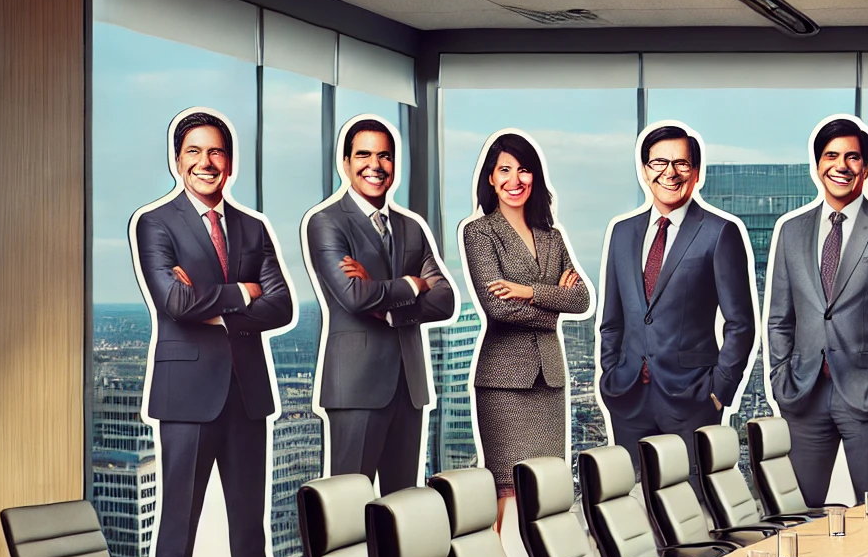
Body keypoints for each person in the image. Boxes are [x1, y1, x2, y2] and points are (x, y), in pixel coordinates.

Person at [133, 109, 304, 557]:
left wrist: (219, 299)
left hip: (246, 389)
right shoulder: (155, 223)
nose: (206, 163)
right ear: (177, 159)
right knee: (178, 517)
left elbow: (282, 306)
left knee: (247, 516)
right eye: (194, 153)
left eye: (217, 153)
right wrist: (243, 292)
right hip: (186, 392)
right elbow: (174, 303)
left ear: (229, 163)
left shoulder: (252, 228)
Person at [766, 117, 868, 505]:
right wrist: (779, 379)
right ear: (817, 165)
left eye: (852, 157)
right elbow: (778, 318)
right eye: (831, 156)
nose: (841, 165)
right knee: (797, 515)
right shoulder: (791, 231)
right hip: (802, 394)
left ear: (866, 168)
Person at [596, 123, 756, 484]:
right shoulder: (622, 233)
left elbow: (740, 324)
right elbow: (612, 320)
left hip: (693, 400)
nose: (670, 172)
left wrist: (718, 392)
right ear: (644, 170)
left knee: (693, 510)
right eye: (659, 163)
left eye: (681, 164)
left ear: (696, 173)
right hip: (628, 397)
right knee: (632, 508)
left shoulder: (719, 232)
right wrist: (610, 374)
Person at [306, 118, 457, 494]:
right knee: (348, 510)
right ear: (345, 163)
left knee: (403, 511)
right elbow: (354, 297)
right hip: (356, 386)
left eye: (384, 156)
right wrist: (412, 284)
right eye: (364, 154)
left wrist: (389, 307)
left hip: (409, 385)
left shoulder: (412, 227)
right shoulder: (326, 223)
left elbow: (445, 299)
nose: (375, 165)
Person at [462, 131, 591, 528]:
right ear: (490, 178)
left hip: (548, 381)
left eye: (523, 170)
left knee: (546, 491)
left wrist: (529, 291)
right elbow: (498, 308)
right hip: (504, 383)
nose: (514, 180)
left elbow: (582, 300)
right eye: (505, 170)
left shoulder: (553, 237)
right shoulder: (479, 232)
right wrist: (553, 304)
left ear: (534, 177)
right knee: (509, 491)